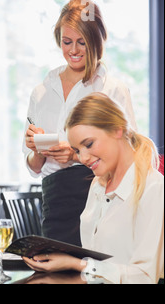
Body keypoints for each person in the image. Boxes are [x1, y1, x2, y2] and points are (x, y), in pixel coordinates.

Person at [22, 0, 137, 246]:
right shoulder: (41, 92)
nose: (73, 50)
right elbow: (33, 168)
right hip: (56, 201)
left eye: (82, 42)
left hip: (102, 196)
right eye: (67, 42)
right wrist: (36, 150)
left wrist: (74, 156)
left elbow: (130, 157)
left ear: (97, 40)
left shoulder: (112, 89)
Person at [22, 93, 164, 284]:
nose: (83, 158)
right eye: (78, 150)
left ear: (117, 130)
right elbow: (97, 265)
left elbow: (145, 277)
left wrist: (77, 264)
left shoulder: (154, 188)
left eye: (89, 144)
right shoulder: (97, 185)